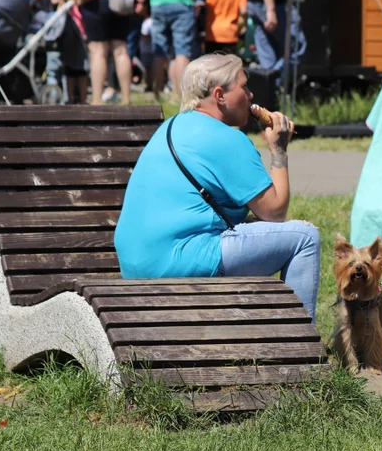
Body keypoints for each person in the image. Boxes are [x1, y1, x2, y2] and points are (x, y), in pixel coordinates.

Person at [114, 54, 321, 319]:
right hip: (178, 259)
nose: (250, 94)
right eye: (244, 87)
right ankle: (301, 343)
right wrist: (279, 150)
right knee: (304, 238)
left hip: (136, 263)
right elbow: (275, 211)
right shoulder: (227, 139)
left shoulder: (170, 126)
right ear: (219, 95)